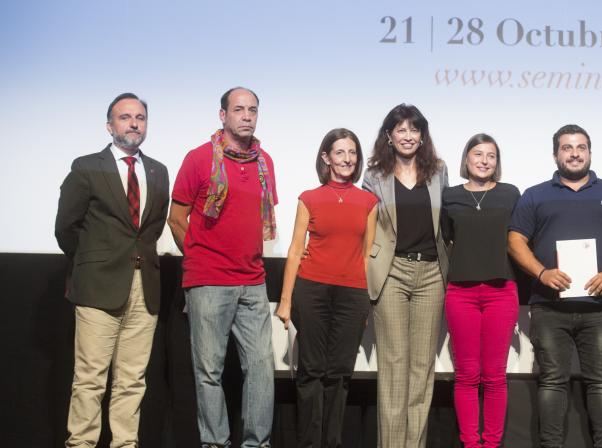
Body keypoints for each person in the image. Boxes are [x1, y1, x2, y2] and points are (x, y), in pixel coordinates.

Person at [55, 92, 170, 447]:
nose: (134, 123)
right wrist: (92, 263)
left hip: (144, 287)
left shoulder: (158, 171)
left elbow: (151, 229)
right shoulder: (87, 166)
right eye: (125, 117)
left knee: (132, 380)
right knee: (90, 379)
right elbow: (66, 228)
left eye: (140, 117)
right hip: (98, 287)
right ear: (110, 126)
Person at [508, 124, 602, 448]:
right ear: (555, 154)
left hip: (600, 306)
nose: (574, 153)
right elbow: (515, 241)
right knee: (551, 382)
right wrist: (541, 272)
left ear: (590, 152)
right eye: (567, 148)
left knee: (601, 383)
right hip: (549, 307)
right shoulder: (534, 194)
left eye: (581, 147)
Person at [168, 87, 278, 448]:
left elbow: (259, 221)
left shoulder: (265, 163)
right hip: (209, 282)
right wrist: (200, 255)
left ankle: (255, 444)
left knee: (261, 369)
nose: (247, 116)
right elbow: (176, 216)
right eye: (239, 109)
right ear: (223, 115)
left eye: (253, 110)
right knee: (209, 373)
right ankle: (214, 443)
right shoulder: (199, 159)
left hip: (253, 281)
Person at [274, 128, 377, 447]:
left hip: (352, 295)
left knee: (339, 375)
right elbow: (294, 250)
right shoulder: (309, 198)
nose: (347, 159)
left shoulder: (369, 202)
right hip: (312, 291)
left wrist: (365, 303)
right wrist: (286, 301)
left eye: (352, 153)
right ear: (326, 158)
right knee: (311, 373)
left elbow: (367, 255)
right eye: (340, 152)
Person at [362, 104, 449, 448]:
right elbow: (367, 228)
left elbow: (447, 224)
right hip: (392, 272)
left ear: (422, 135)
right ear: (389, 135)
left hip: (431, 273)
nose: (408, 136)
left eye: (414, 130)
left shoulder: (438, 171)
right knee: (394, 367)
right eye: (401, 130)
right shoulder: (374, 176)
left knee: (422, 369)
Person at [440, 134, 520, 448]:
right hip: (461, 292)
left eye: (491, 155)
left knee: (494, 375)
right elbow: (447, 238)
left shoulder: (510, 194)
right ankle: (471, 444)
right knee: (467, 375)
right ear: (467, 159)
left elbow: (519, 239)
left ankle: (491, 444)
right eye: (478, 154)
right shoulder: (450, 196)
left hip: (501, 291)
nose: (484, 160)